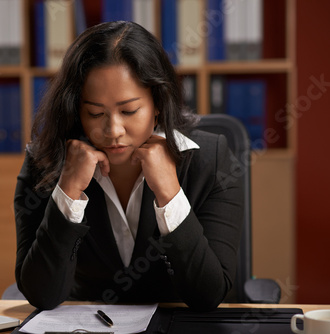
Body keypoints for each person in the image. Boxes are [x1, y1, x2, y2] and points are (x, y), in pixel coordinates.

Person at [14, 21, 243, 311]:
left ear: (158, 102)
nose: (113, 130)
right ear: (76, 109)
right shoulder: (43, 162)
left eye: (129, 110)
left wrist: (170, 193)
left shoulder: (212, 161)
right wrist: (68, 191)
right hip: (86, 328)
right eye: (95, 113)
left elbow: (209, 294)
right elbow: (42, 295)